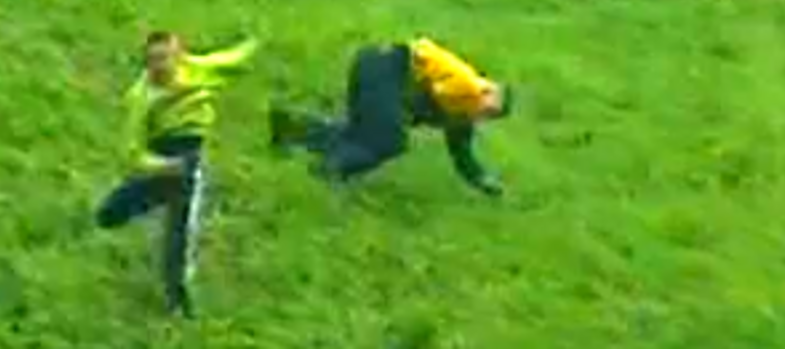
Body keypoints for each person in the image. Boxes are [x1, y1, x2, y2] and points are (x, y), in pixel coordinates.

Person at [94, 31, 259, 318]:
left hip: (189, 158)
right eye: (152, 61)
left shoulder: (198, 70)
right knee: (114, 211)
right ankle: (129, 205)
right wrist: (162, 166)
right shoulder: (141, 98)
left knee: (179, 232)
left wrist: (257, 43)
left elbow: (230, 59)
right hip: (161, 154)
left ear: (180, 57)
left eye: (165, 58)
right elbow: (132, 152)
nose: (159, 66)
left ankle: (178, 301)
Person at [268, 37, 514, 196]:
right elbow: (424, 94)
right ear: (487, 88)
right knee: (390, 141)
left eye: (488, 115)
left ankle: (289, 126)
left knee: (360, 135)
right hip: (388, 69)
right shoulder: (467, 86)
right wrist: (404, 118)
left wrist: (485, 183)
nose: (482, 114)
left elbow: (462, 153)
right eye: (487, 106)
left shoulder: (465, 109)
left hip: (374, 61)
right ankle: (329, 170)